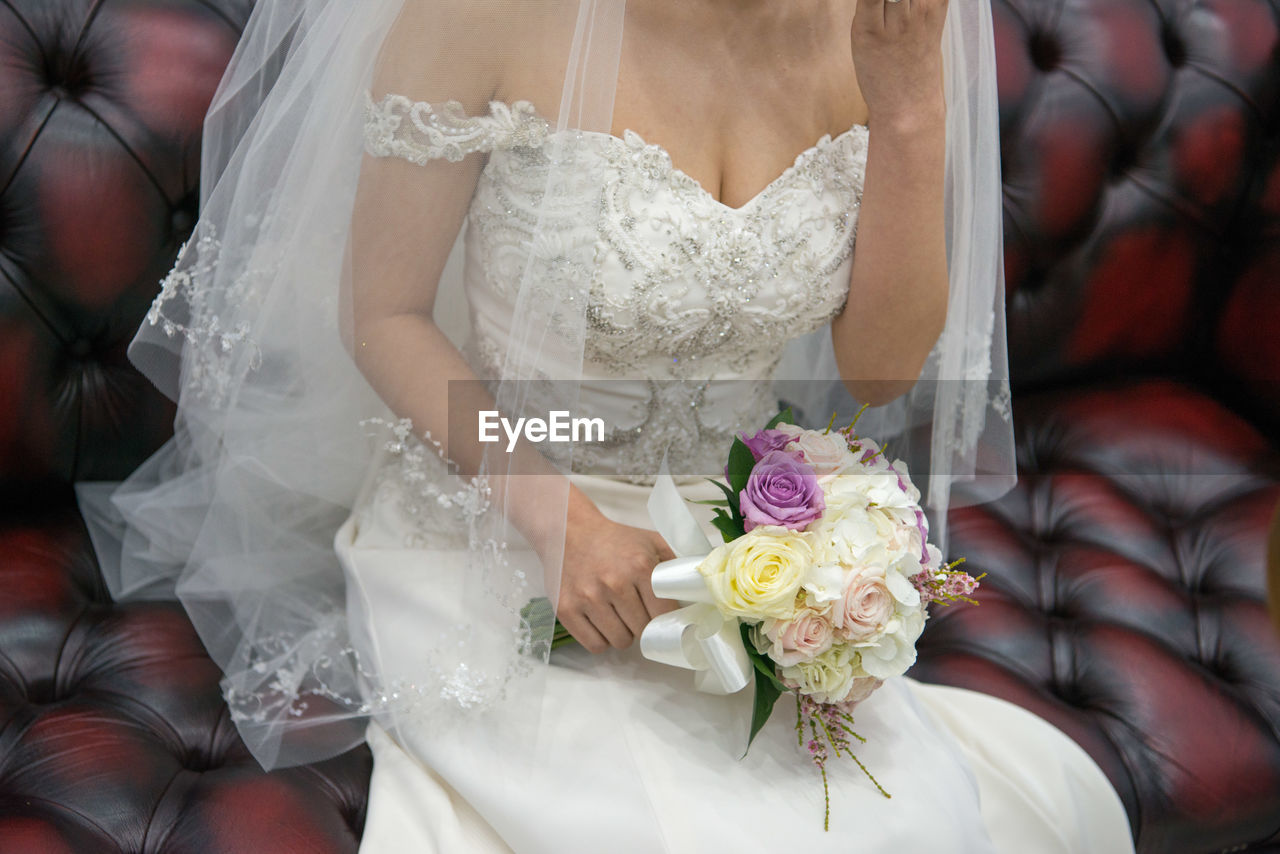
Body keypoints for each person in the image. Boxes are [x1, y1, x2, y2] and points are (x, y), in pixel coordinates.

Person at [79, 0, 1135, 850]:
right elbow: (384, 317)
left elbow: (879, 367)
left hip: (735, 523)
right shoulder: (485, 15)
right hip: (500, 498)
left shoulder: (890, 26)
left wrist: (907, 111)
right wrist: (559, 520)